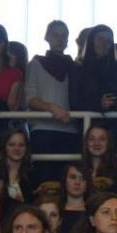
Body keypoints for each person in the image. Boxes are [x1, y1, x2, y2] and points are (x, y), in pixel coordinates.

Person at [25, 20, 79, 175]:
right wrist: (51, 107)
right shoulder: (36, 64)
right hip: (43, 129)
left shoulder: (74, 67)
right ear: (47, 37)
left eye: (64, 36)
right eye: (55, 35)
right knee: (44, 177)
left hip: (70, 130)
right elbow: (30, 98)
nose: (60, 39)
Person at [68, 24, 117, 113]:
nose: (104, 44)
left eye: (108, 41)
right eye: (100, 39)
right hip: (89, 119)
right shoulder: (77, 69)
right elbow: (74, 103)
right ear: (91, 41)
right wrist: (98, 105)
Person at [81, 123, 117, 193]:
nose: (96, 143)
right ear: (86, 143)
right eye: (91, 139)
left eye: (102, 139)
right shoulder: (78, 168)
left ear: (109, 143)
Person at [0, 128, 35, 203]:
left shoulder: (33, 174)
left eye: (21, 145)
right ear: (4, 147)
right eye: (12, 145)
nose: (17, 149)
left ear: (26, 148)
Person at [58, 162, 90, 233]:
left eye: (82, 178)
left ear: (87, 184)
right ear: (64, 181)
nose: (77, 182)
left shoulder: (93, 211)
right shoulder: (55, 209)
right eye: (73, 177)